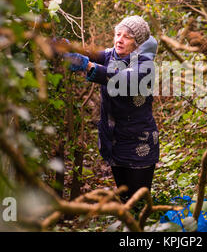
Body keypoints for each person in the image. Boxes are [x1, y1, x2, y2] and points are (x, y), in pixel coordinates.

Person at [64, 15, 159, 203]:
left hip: (139, 143)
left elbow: (121, 79)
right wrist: (67, 48)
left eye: (127, 37)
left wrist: (87, 65)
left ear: (137, 42)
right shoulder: (110, 55)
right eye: (117, 34)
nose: (119, 39)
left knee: (138, 202)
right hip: (115, 141)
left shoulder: (144, 65)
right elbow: (92, 53)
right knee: (125, 198)